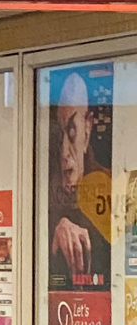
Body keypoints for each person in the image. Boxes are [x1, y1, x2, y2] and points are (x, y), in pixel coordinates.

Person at [49, 70, 112, 286]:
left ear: (87, 128)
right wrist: (55, 227)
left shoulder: (108, 183)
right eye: (59, 136)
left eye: (72, 132)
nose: (64, 152)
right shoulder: (42, 187)